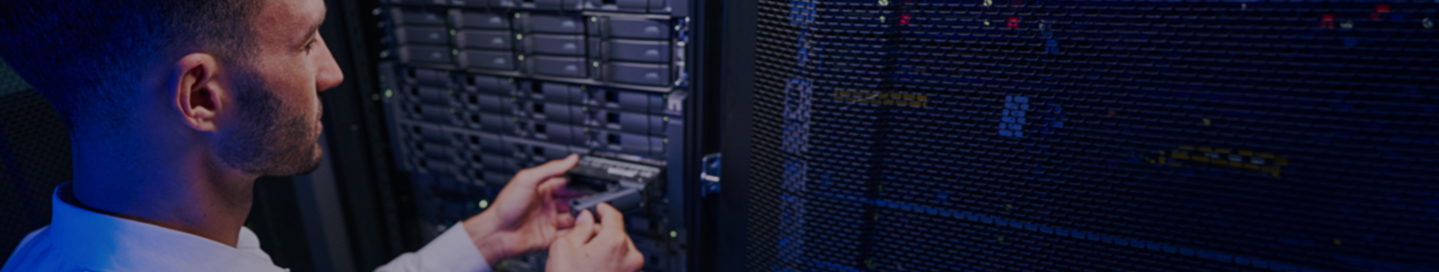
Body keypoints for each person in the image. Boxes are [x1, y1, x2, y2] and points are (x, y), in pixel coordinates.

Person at [0, 0, 645, 271]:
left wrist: (483, 240)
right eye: (306, 43)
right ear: (201, 96)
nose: (333, 71)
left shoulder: (46, 252)